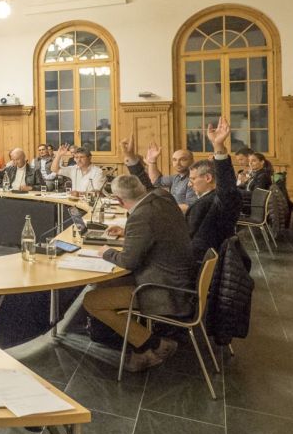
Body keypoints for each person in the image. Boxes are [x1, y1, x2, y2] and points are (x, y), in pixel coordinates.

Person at [84, 175, 195, 372]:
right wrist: (127, 232)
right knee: (105, 284)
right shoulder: (163, 197)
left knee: (92, 300)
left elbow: (128, 261)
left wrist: (106, 252)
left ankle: (150, 347)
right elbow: (156, 229)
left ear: (119, 200)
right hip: (180, 278)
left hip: (163, 288)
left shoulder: (140, 216)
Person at [185, 119, 243, 261]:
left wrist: (218, 146)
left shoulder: (221, 201)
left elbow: (227, 189)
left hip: (198, 261)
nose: (189, 184)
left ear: (208, 178)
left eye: (193, 179)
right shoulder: (208, 198)